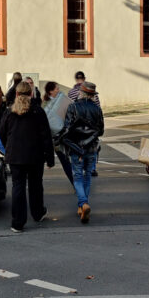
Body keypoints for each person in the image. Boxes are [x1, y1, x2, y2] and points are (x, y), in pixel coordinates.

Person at [0, 81, 54, 233]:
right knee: (36, 185)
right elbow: (46, 136)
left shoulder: (9, 111)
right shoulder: (37, 111)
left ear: (16, 94)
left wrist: (9, 147)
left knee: (18, 187)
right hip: (35, 155)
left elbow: (2, 132)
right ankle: (37, 213)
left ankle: (18, 222)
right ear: (31, 93)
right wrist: (50, 158)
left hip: (15, 155)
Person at [58, 82, 104, 223]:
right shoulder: (97, 109)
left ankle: (83, 203)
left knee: (77, 177)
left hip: (76, 148)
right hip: (91, 148)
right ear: (92, 95)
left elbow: (67, 129)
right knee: (87, 176)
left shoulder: (73, 107)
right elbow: (101, 130)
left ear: (81, 93)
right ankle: (82, 205)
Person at [67, 71, 101, 175]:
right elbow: (98, 108)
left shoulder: (71, 92)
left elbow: (69, 109)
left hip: (77, 126)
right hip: (92, 126)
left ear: (76, 79)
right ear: (84, 78)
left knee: (77, 147)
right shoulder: (92, 91)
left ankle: (78, 168)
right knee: (93, 145)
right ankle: (92, 168)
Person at [42, 81, 74, 185]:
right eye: (56, 88)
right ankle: (75, 182)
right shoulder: (44, 103)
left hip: (65, 134)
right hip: (53, 138)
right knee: (65, 161)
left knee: (70, 161)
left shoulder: (63, 99)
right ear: (50, 91)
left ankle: (76, 182)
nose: (58, 90)